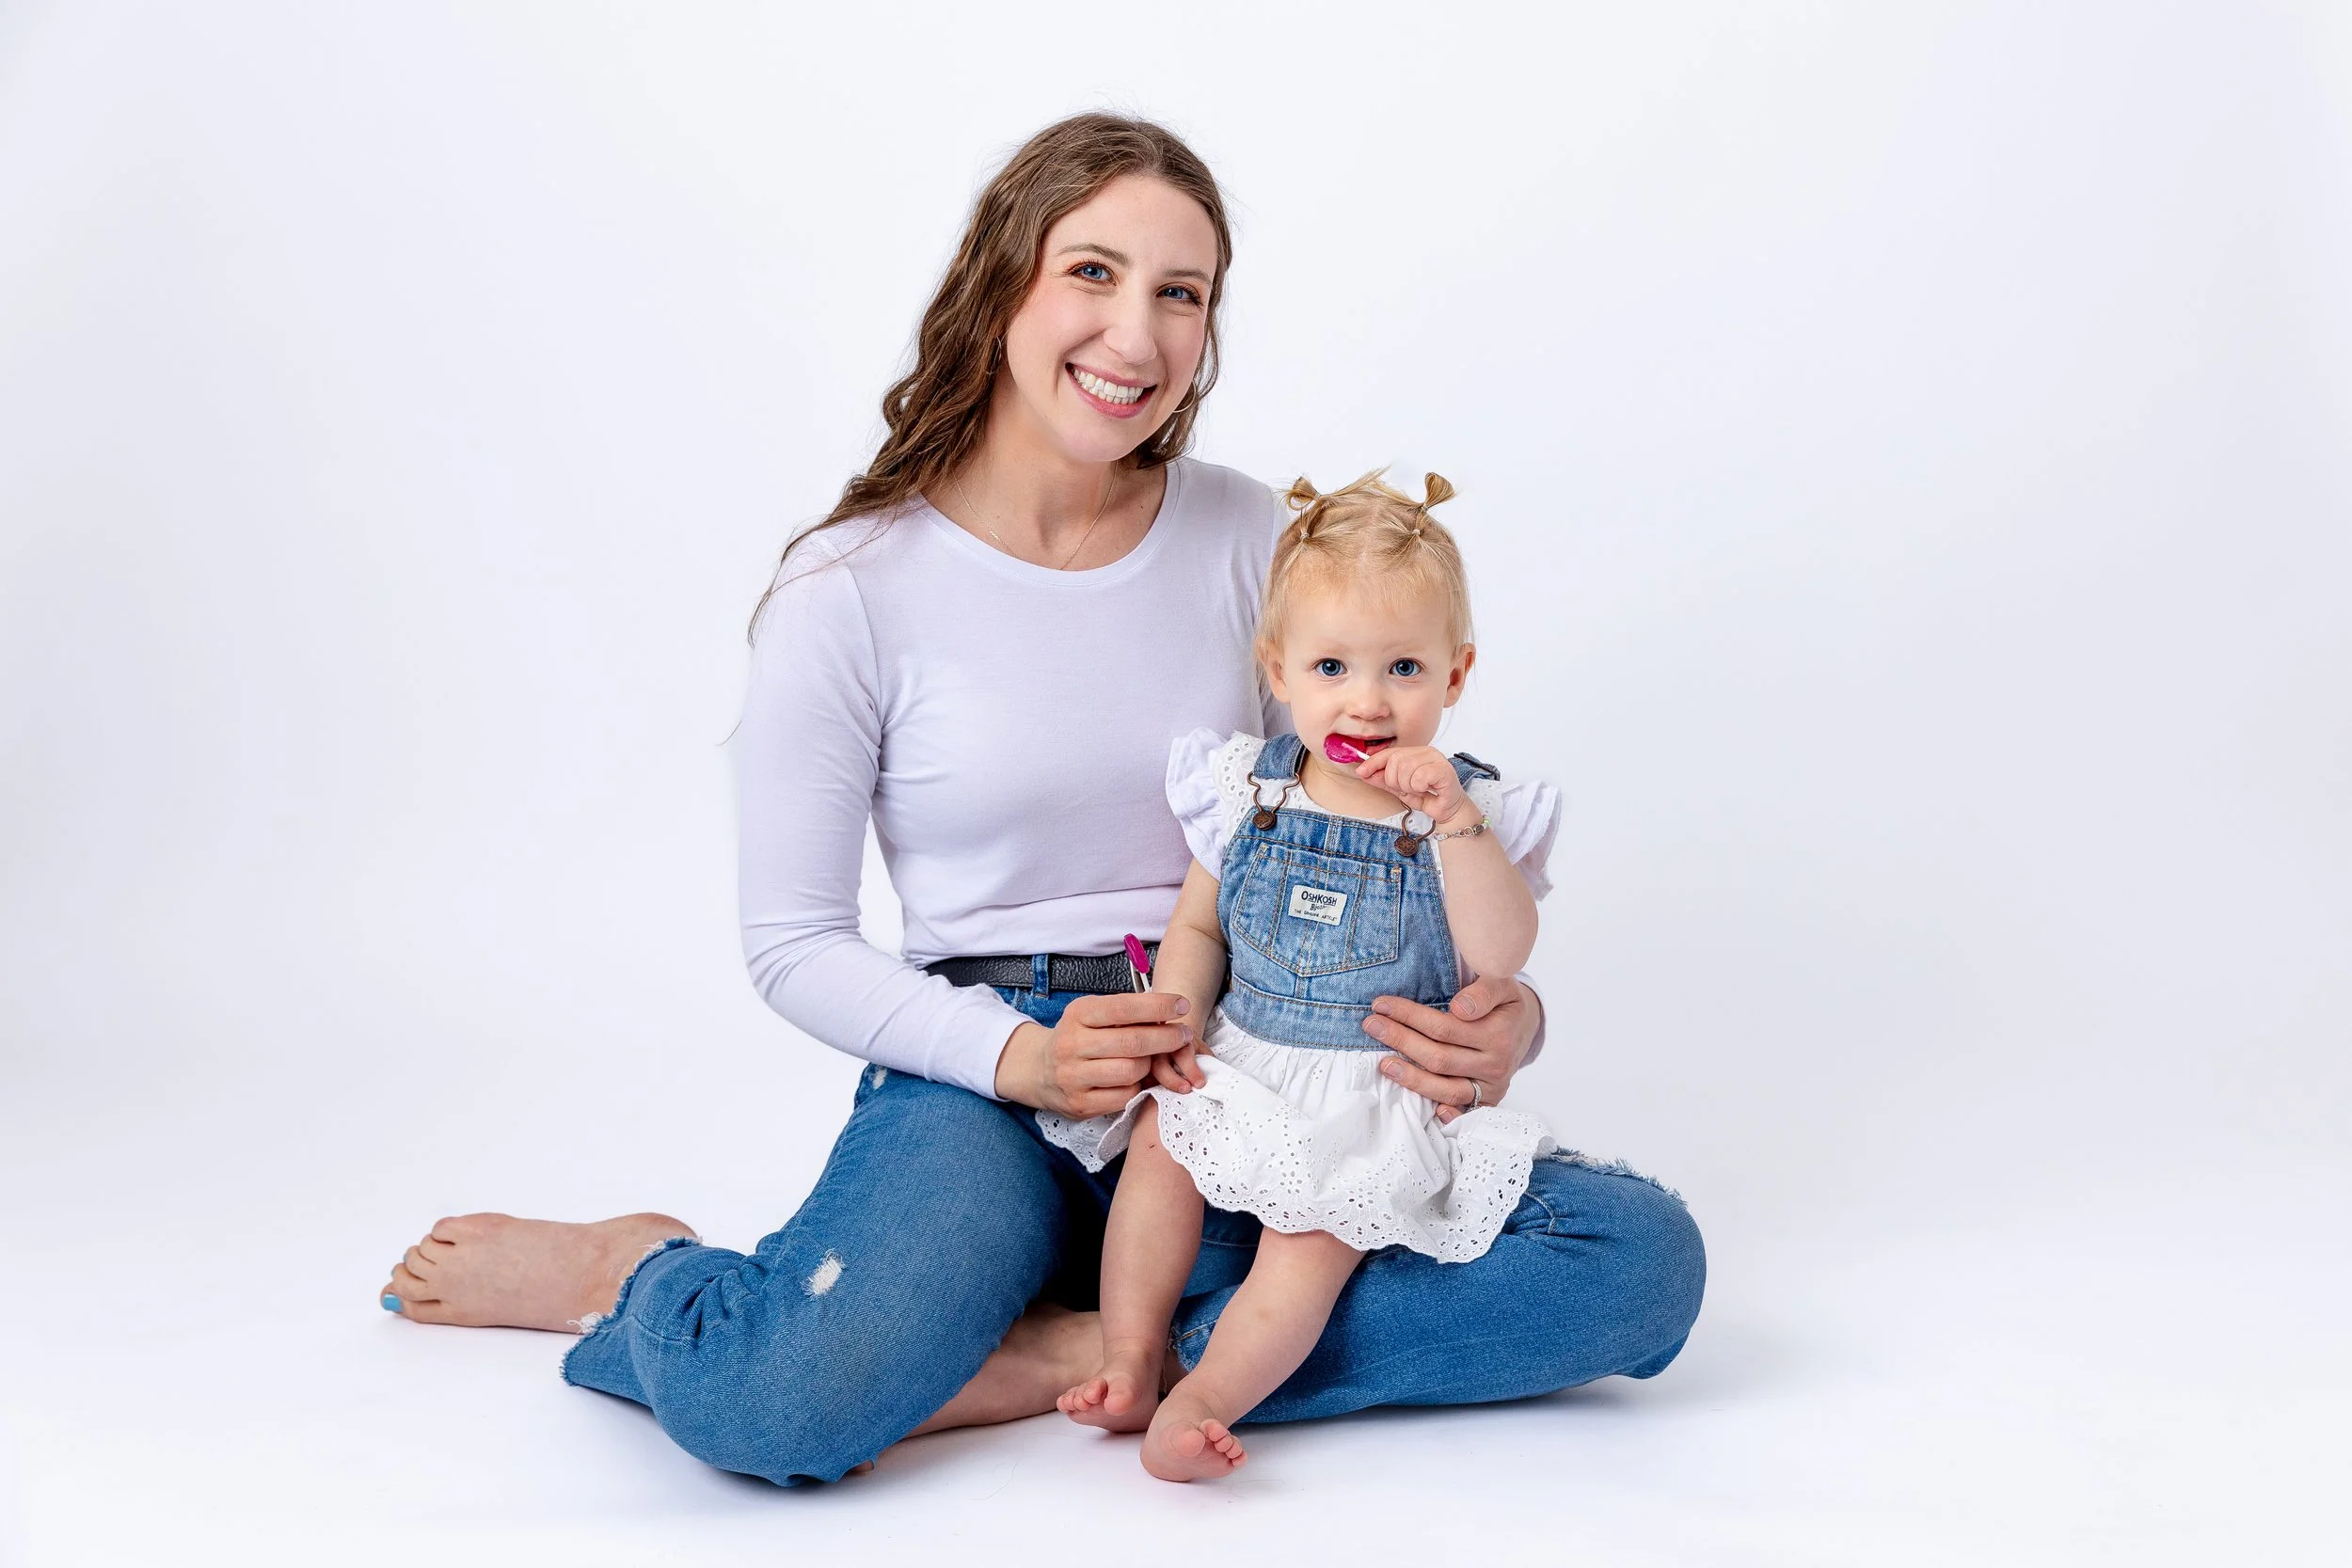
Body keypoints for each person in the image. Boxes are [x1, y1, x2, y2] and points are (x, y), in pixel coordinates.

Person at [379, 112, 1705, 1488]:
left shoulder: (1257, 539)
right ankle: (654, 1272)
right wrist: (1022, 1059)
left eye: (1179, 293)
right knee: (777, 1403)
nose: (1134, 335)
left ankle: (1080, 1344)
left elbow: (1345, 816)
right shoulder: (850, 590)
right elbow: (791, 940)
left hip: (1251, 1059)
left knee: (1635, 1266)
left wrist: (1508, 1020)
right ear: (1003, 276)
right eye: (1092, 272)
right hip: (994, 1067)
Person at [1048, 470, 1567, 1481]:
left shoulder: (1465, 811)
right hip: (1240, 1057)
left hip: (1361, 1092)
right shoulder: (1247, 786)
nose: (1367, 702)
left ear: (1456, 675)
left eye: (1403, 667)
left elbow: (1502, 952)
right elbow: (1197, 921)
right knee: (1159, 1144)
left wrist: (1455, 820)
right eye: (1332, 665)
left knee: (1310, 1242)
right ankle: (1126, 1352)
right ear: (1275, 667)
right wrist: (1184, 1011)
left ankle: (1202, 1396)